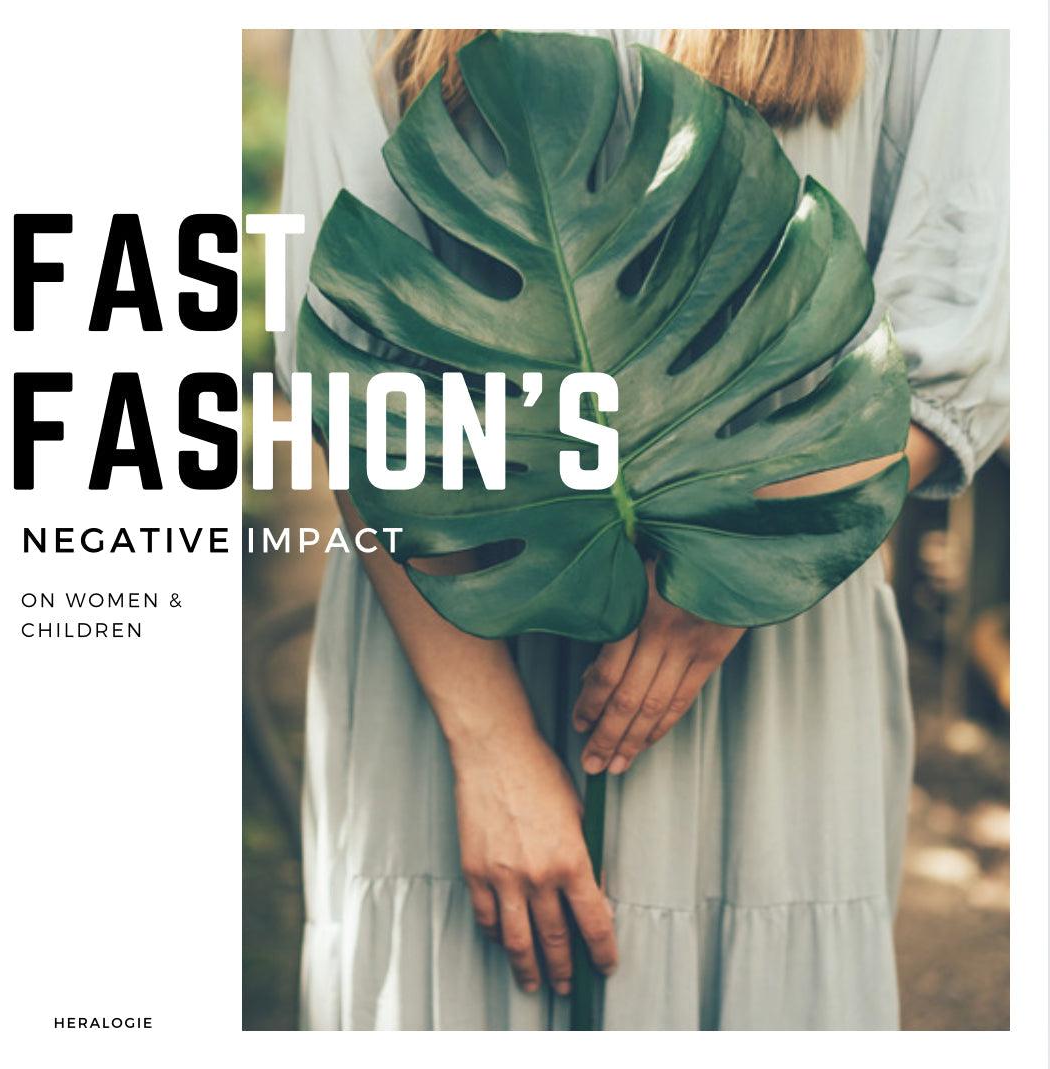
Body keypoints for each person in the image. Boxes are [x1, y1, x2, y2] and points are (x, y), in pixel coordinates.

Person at [274, 29, 1009, 1029]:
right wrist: (487, 740)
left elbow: (955, 332)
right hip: (447, 634)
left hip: (770, 663)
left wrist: (728, 581)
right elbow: (346, 355)